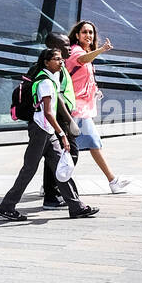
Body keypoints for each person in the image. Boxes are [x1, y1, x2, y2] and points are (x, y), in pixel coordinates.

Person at [0, 47, 98, 223]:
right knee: (29, 169)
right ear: (46, 62)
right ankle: (7, 206)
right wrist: (63, 134)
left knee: (61, 168)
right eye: (57, 59)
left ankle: (76, 207)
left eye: (61, 59)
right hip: (40, 130)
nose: (61, 62)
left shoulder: (52, 79)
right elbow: (48, 113)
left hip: (47, 131)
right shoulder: (45, 82)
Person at [66, 21, 129, 193]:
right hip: (75, 109)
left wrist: (94, 91)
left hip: (82, 108)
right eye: (85, 32)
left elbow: (83, 77)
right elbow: (81, 60)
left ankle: (53, 182)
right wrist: (101, 50)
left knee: (74, 147)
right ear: (77, 35)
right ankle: (112, 181)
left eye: (91, 33)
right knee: (85, 145)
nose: (89, 35)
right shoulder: (75, 51)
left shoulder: (87, 53)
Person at [38, 30, 82, 211]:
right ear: (55, 48)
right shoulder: (52, 70)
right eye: (65, 45)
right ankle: (52, 194)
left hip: (59, 118)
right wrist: (69, 120)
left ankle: (53, 194)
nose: (69, 47)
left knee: (54, 158)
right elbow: (57, 97)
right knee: (67, 155)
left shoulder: (60, 68)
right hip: (57, 119)